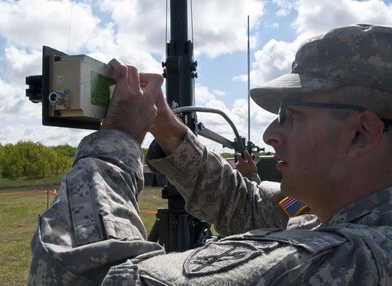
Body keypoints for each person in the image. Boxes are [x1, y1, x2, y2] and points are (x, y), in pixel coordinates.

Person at [29, 24, 392, 285]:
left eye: (289, 116)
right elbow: (247, 208)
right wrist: (168, 128)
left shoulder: (355, 259)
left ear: (361, 133)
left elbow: (81, 275)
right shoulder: (339, 214)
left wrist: (116, 140)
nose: (271, 134)